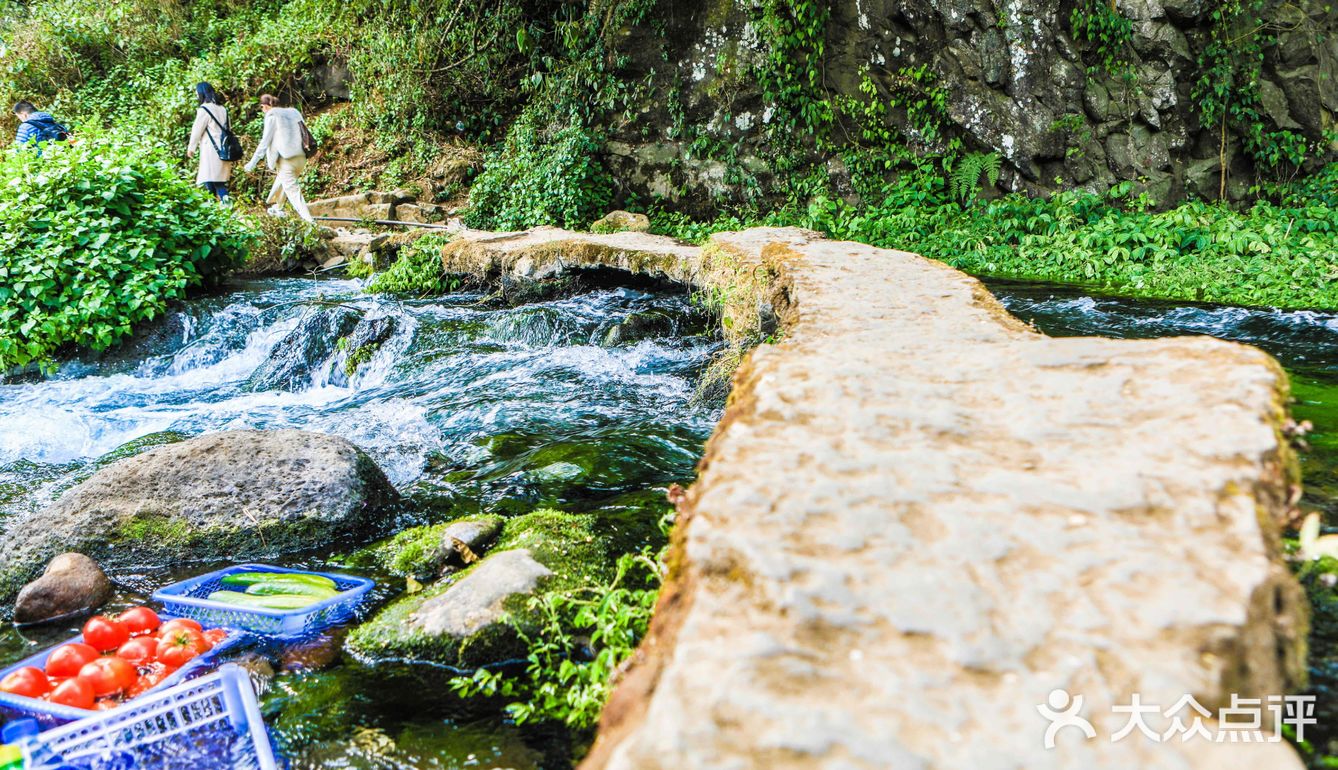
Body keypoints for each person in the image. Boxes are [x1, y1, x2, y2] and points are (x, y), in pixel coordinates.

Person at [243, 94, 314, 222]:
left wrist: (252, 163)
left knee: (293, 191)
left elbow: (264, 142)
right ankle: (278, 207)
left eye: (261, 107)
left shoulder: (272, 116)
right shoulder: (293, 112)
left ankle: (310, 222)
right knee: (282, 182)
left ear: (264, 106)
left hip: (286, 160)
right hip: (301, 157)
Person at [186, 83, 233, 202]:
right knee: (213, 178)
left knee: (215, 180)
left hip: (211, 149)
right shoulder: (223, 109)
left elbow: (197, 130)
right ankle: (213, 206)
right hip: (224, 147)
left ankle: (224, 203)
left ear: (201, 93)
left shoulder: (204, 109)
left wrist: (191, 148)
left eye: (197, 92)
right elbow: (228, 128)